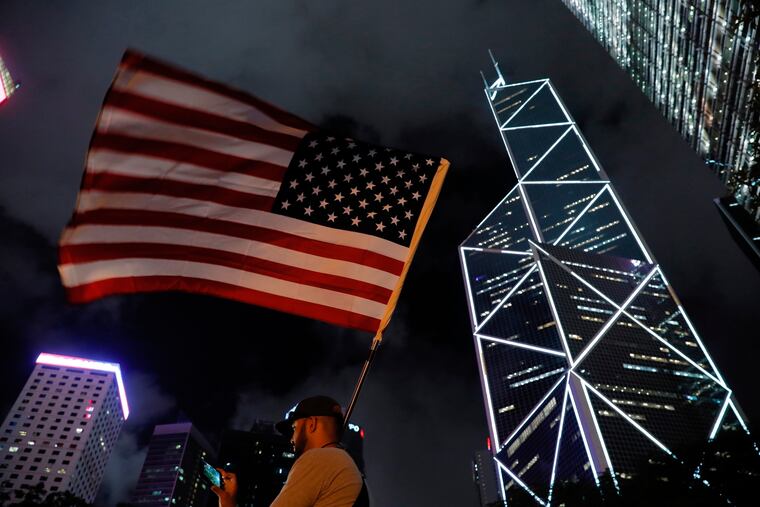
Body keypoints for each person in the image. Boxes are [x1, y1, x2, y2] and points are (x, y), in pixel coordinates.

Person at [212, 395, 368, 507]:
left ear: (311, 424)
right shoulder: (350, 468)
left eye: (294, 428)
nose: (291, 439)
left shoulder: (320, 458)